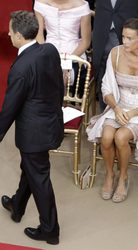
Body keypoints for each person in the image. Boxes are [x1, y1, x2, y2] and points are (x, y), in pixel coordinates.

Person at [87, 18, 138, 203]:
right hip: (118, 106)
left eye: (130, 38)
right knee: (106, 137)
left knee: (120, 137)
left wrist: (132, 114)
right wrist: (116, 108)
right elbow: (106, 88)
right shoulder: (115, 54)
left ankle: (123, 176)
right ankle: (110, 175)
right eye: (123, 37)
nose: (125, 42)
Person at [0, 11, 64, 244]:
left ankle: (50, 229)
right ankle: (17, 205)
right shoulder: (49, 50)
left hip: (33, 133)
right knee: (32, 168)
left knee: (39, 178)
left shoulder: (20, 68)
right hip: (50, 123)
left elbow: (10, 108)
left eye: (10, 31)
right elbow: (59, 86)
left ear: (18, 36)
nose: (7, 33)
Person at [92, 0, 138, 111]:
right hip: (102, 25)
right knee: (102, 73)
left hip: (129, 26)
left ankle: (128, 113)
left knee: (126, 72)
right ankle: (105, 113)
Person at [34, 0, 91, 97]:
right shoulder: (40, 3)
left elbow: (86, 42)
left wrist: (66, 62)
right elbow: (39, 36)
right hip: (48, 53)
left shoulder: (82, 6)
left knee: (70, 75)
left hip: (75, 54)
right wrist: (46, 57)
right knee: (37, 72)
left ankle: (67, 108)